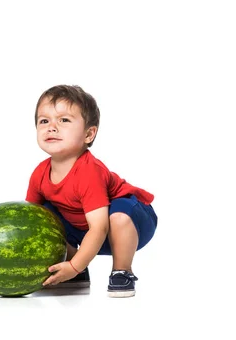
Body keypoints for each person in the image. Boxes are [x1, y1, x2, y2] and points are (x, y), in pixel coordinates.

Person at [25, 84, 158, 297]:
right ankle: (76, 269)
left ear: (89, 134)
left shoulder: (89, 172)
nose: (51, 127)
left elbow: (99, 227)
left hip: (131, 224)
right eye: (44, 121)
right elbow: (30, 221)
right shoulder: (39, 173)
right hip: (86, 229)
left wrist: (75, 265)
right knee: (45, 214)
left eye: (64, 120)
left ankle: (122, 271)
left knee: (120, 214)